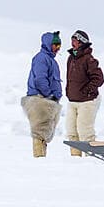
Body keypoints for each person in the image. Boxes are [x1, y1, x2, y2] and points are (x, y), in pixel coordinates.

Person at [21, 30, 63, 158]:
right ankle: (39, 159)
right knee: (40, 132)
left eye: (59, 46)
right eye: (55, 45)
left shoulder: (50, 60)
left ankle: (41, 157)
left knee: (45, 132)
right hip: (40, 100)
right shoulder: (41, 58)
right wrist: (49, 94)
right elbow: (40, 79)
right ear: (48, 44)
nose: (57, 49)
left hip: (48, 101)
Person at [63, 29, 104, 155]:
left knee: (85, 132)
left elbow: (99, 79)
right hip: (72, 101)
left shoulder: (89, 59)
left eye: (75, 40)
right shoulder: (71, 58)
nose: (72, 43)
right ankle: (76, 159)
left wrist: (87, 91)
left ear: (82, 43)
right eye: (72, 40)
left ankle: (91, 158)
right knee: (71, 132)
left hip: (86, 102)